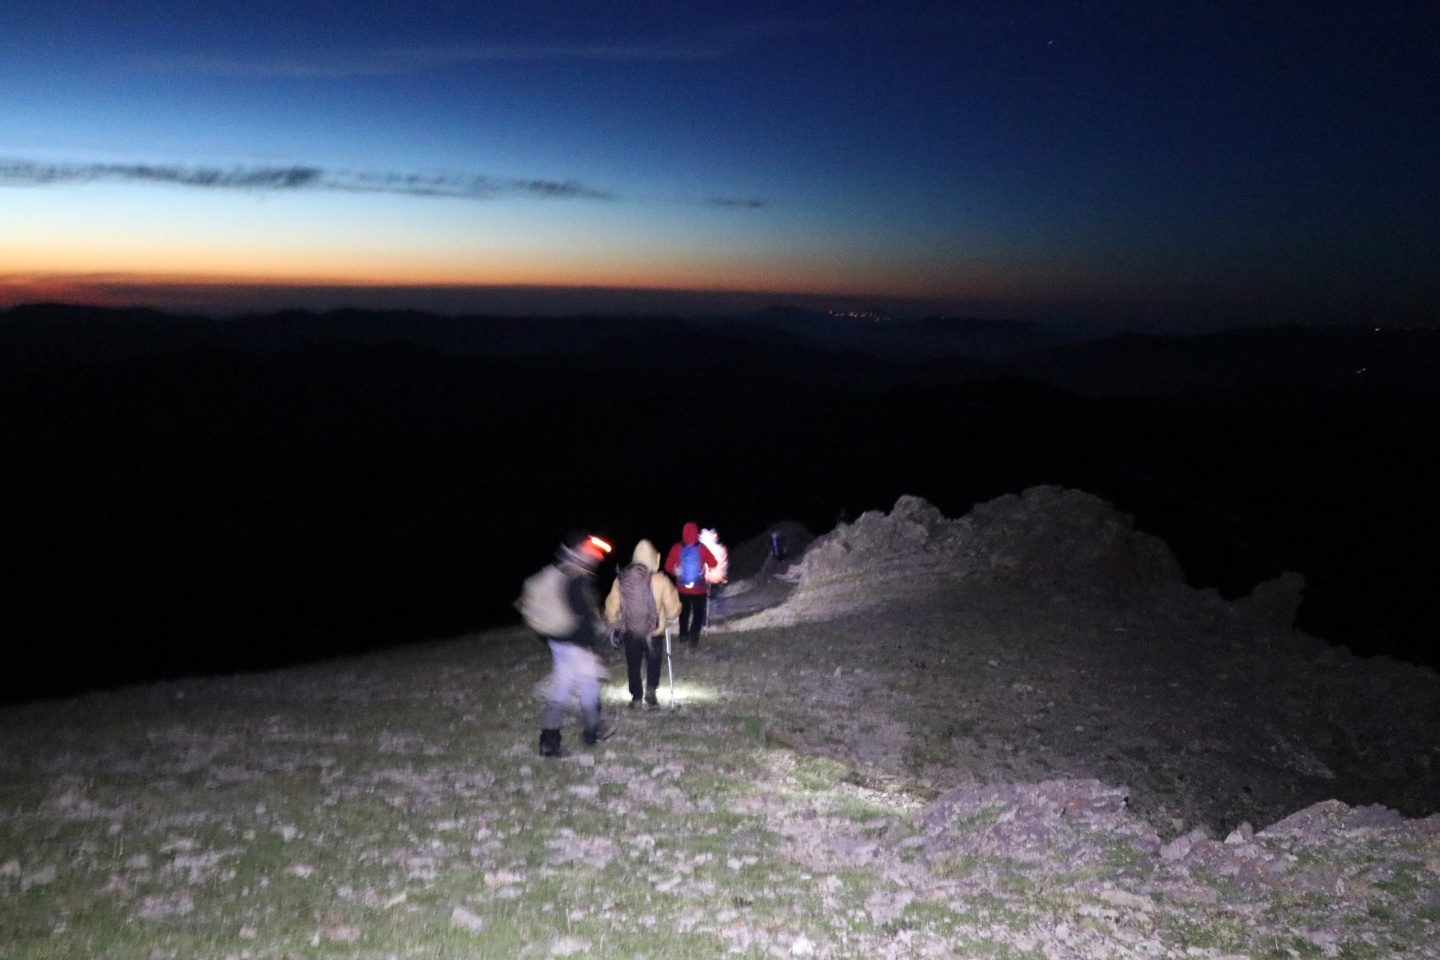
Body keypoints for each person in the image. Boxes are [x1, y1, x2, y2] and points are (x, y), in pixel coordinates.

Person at [531, 532, 612, 757]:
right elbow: (582, 615)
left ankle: (549, 741)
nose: (594, 557)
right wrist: (590, 647)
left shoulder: (562, 572)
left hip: (558, 640)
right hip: (575, 643)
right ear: (579, 551)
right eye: (591, 552)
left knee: (563, 687)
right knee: (588, 687)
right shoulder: (577, 578)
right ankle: (591, 732)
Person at [603, 539, 681, 707]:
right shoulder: (661, 580)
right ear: (655, 558)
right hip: (654, 631)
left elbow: (612, 605)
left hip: (629, 630)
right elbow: (674, 610)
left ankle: (636, 698)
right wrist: (668, 616)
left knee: (633, 664)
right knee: (653, 662)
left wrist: (612, 621)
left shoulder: (622, 580)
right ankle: (651, 693)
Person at [664, 522, 720, 647]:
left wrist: (676, 571)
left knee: (684, 612)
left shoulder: (677, 548)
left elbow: (667, 566)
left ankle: (683, 635)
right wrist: (705, 568)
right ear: (697, 533)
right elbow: (714, 563)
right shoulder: (702, 548)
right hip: (699, 588)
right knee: (698, 612)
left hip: (682, 589)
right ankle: (694, 637)